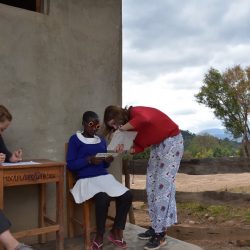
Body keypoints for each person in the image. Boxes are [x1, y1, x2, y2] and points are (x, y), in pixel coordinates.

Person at [103, 105, 184, 250]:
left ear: (119, 116)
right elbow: (140, 146)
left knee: (162, 190)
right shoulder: (131, 129)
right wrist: (124, 148)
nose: (115, 127)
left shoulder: (136, 112)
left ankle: (160, 235)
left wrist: (121, 130)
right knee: (151, 187)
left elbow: (146, 119)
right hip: (157, 146)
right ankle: (155, 227)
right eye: (113, 126)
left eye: (115, 123)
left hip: (172, 141)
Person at [66, 111, 132, 250]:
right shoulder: (75, 139)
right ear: (84, 123)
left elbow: (104, 165)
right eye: (91, 124)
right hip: (85, 179)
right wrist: (89, 159)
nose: (94, 128)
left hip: (103, 177)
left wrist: (109, 159)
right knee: (103, 197)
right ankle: (99, 235)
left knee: (127, 195)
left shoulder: (101, 140)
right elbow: (71, 164)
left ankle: (116, 231)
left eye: (97, 125)